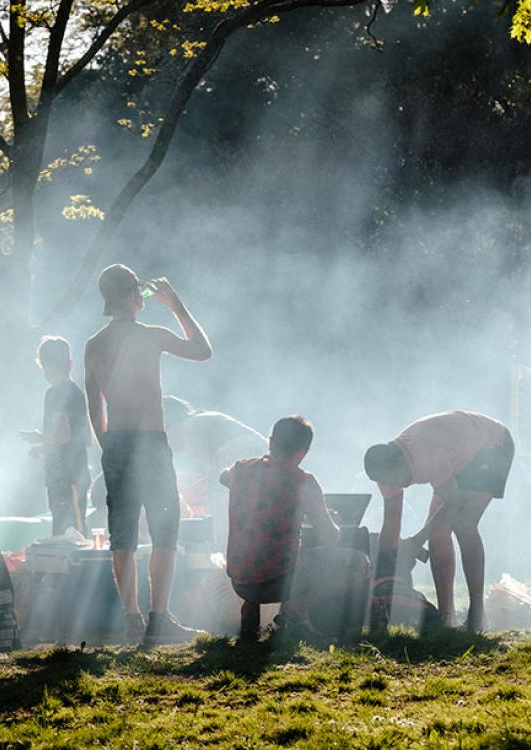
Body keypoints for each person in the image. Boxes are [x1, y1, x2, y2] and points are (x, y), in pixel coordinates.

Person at [84, 264, 212, 645]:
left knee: (122, 536)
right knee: (165, 531)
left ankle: (133, 619)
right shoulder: (149, 335)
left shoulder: (93, 343)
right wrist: (176, 305)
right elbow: (203, 350)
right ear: (134, 297)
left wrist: (106, 443)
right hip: (150, 442)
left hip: (117, 441)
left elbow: (93, 402)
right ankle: (158, 619)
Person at [363, 410, 515, 631]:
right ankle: (447, 618)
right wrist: (391, 557)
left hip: (493, 445)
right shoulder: (385, 473)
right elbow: (392, 520)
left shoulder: (425, 457)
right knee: (437, 531)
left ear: (399, 463)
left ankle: (476, 617)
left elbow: (454, 504)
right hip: (459, 457)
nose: (396, 485)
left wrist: (415, 543)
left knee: (464, 523)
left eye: (395, 479)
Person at [220, 415, 340, 642]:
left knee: (264, 551)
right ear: (304, 452)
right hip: (278, 582)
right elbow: (330, 535)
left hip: (240, 579)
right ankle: (297, 616)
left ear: (270, 441)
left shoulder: (241, 469)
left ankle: (250, 616)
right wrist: (330, 517)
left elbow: (222, 476)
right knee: (352, 563)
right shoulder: (304, 482)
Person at [163, 396, 266, 541]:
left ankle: (223, 551)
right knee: (259, 507)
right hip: (264, 453)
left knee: (221, 510)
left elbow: (165, 462)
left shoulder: (180, 427)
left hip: (236, 453)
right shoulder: (203, 418)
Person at [22, 336, 91, 536]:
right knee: (76, 529)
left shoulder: (54, 394)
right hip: (78, 471)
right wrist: (44, 447)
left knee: (67, 534)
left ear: (44, 365)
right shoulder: (78, 393)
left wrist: (40, 438)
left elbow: (62, 436)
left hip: (63, 475)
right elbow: (86, 438)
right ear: (70, 363)